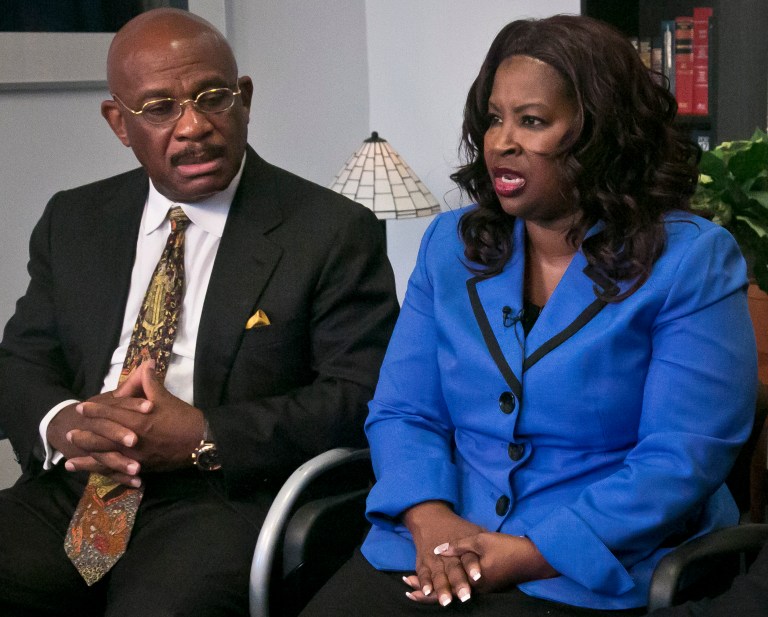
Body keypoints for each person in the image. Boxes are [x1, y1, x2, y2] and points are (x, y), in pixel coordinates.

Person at [298, 14, 757, 617]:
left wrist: (529, 551)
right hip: (436, 546)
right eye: (494, 119)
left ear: (602, 133)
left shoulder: (690, 259)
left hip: (586, 562)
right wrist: (429, 517)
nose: (501, 142)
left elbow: (679, 458)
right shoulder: (450, 247)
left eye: (532, 121)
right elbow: (405, 409)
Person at [0, 8, 398, 617]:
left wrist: (204, 436)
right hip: (76, 487)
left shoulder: (331, 231)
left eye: (212, 98)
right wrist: (64, 423)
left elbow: (360, 395)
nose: (192, 127)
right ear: (119, 122)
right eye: (159, 108)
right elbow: (21, 361)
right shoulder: (74, 220)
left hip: (219, 498)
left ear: (244, 99)